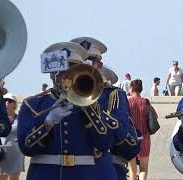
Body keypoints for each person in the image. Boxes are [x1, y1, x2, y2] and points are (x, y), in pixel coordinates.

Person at [17, 42, 127, 180]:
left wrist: (86, 109)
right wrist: (47, 124)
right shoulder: (33, 104)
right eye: (63, 69)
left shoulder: (94, 103)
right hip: (44, 174)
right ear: (53, 74)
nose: (66, 75)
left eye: (73, 68)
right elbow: (26, 147)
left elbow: (104, 144)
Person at [71, 37, 140, 180]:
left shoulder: (113, 94)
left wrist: (90, 107)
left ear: (99, 65)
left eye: (91, 61)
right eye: (83, 61)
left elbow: (120, 131)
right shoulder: (65, 93)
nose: (87, 65)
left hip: (105, 167)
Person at [128, 79, 157, 180]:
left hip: (131, 140)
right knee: (143, 169)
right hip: (144, 139)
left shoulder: (127, 102)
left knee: (132, 170)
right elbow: (154, 117)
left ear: (131, 88)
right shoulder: (146, 103)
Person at [0, 93, 24, 180]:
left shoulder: (20, 119)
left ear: (14, 104)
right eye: (5, 100)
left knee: (15, 178)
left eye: (10, 101)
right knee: (1, 177)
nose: (7, 103)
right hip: (1, 153)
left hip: (16, 154)